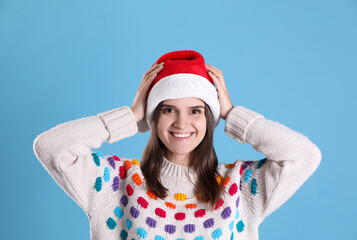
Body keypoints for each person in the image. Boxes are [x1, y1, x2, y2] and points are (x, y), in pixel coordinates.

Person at [33, 50, 322, 240]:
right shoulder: (116, 183)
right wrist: (131, 117)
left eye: (196, 110)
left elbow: (304, 156)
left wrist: (233, 116)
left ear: (209, 117)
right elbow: (50, 147)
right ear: (154, 116)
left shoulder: (240, 187)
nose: (181, 123)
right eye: (168, 109)